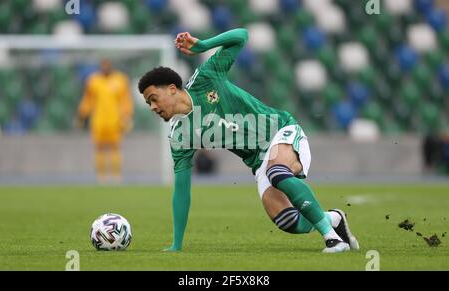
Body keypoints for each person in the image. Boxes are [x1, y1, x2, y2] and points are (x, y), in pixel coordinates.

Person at [138, 28, 359, 253]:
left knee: (277, 171)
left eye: (153, 99)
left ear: (173, 89)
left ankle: (333, 239)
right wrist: (176, 245)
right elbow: (182, 191)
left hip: (281, 130)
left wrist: (204, 45)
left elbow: (241, 36)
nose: (153, 107)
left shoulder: (206, 78)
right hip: (258, 162)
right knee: (288, 221)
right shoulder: (180, 135)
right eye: (148, 104)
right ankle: (333, 219)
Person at [78, 58, 134, 183]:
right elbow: (88, 100)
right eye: (103, 66)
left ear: (111, 66)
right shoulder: (93, 81)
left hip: (115, 119)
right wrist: (82, 115)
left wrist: (127, 115)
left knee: (115, 147)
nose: (105, 68)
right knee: (99, 147)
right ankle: (101, 177)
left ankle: (116, 177)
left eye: (107, 65)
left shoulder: (120, 80)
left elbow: (126, 100)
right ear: (100, 67)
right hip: (98, 119)